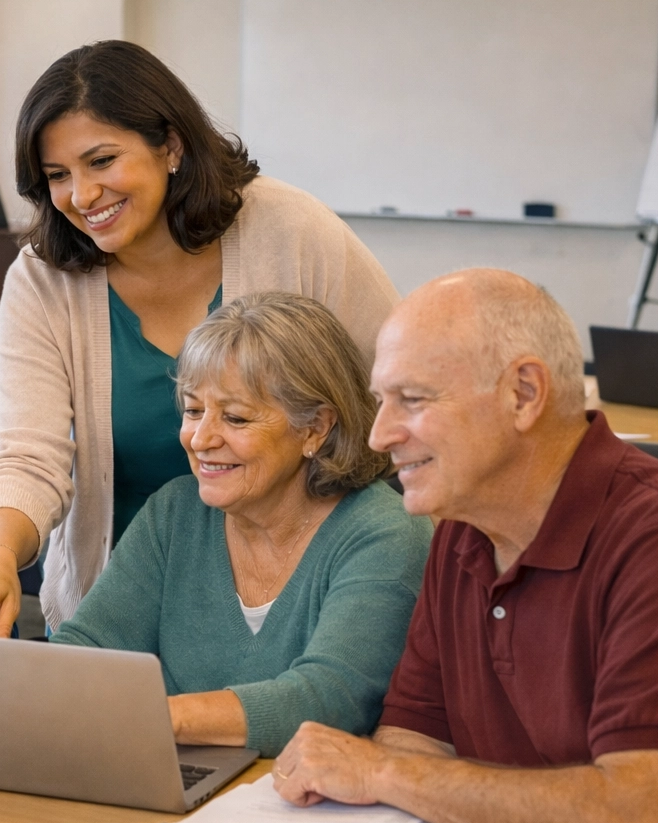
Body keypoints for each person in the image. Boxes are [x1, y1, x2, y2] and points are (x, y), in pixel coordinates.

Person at [0, 43, 402, 638]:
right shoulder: (43, 277)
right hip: (116, 611)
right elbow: (29, 454)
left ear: (172, 146)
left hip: (290, 607)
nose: (82, 195)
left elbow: (398, 391)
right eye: (58, 176)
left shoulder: (291, 231)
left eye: (102, 161)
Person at [272, 269, 658, 823]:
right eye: (381, 400)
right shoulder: (462, 528)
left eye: (413, 399)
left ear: (524, 393)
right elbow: (414, 737)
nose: (380, 436)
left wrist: (380, 773)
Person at [51, 293, 430, 756]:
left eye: (235, 417)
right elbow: (88, 646)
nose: (200, 439)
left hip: (301, 792)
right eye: (193, 410)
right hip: (169, 774)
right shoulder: (174, 513)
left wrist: (154, 717)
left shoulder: (385, 534)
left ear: (315, 428)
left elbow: (327, 700)